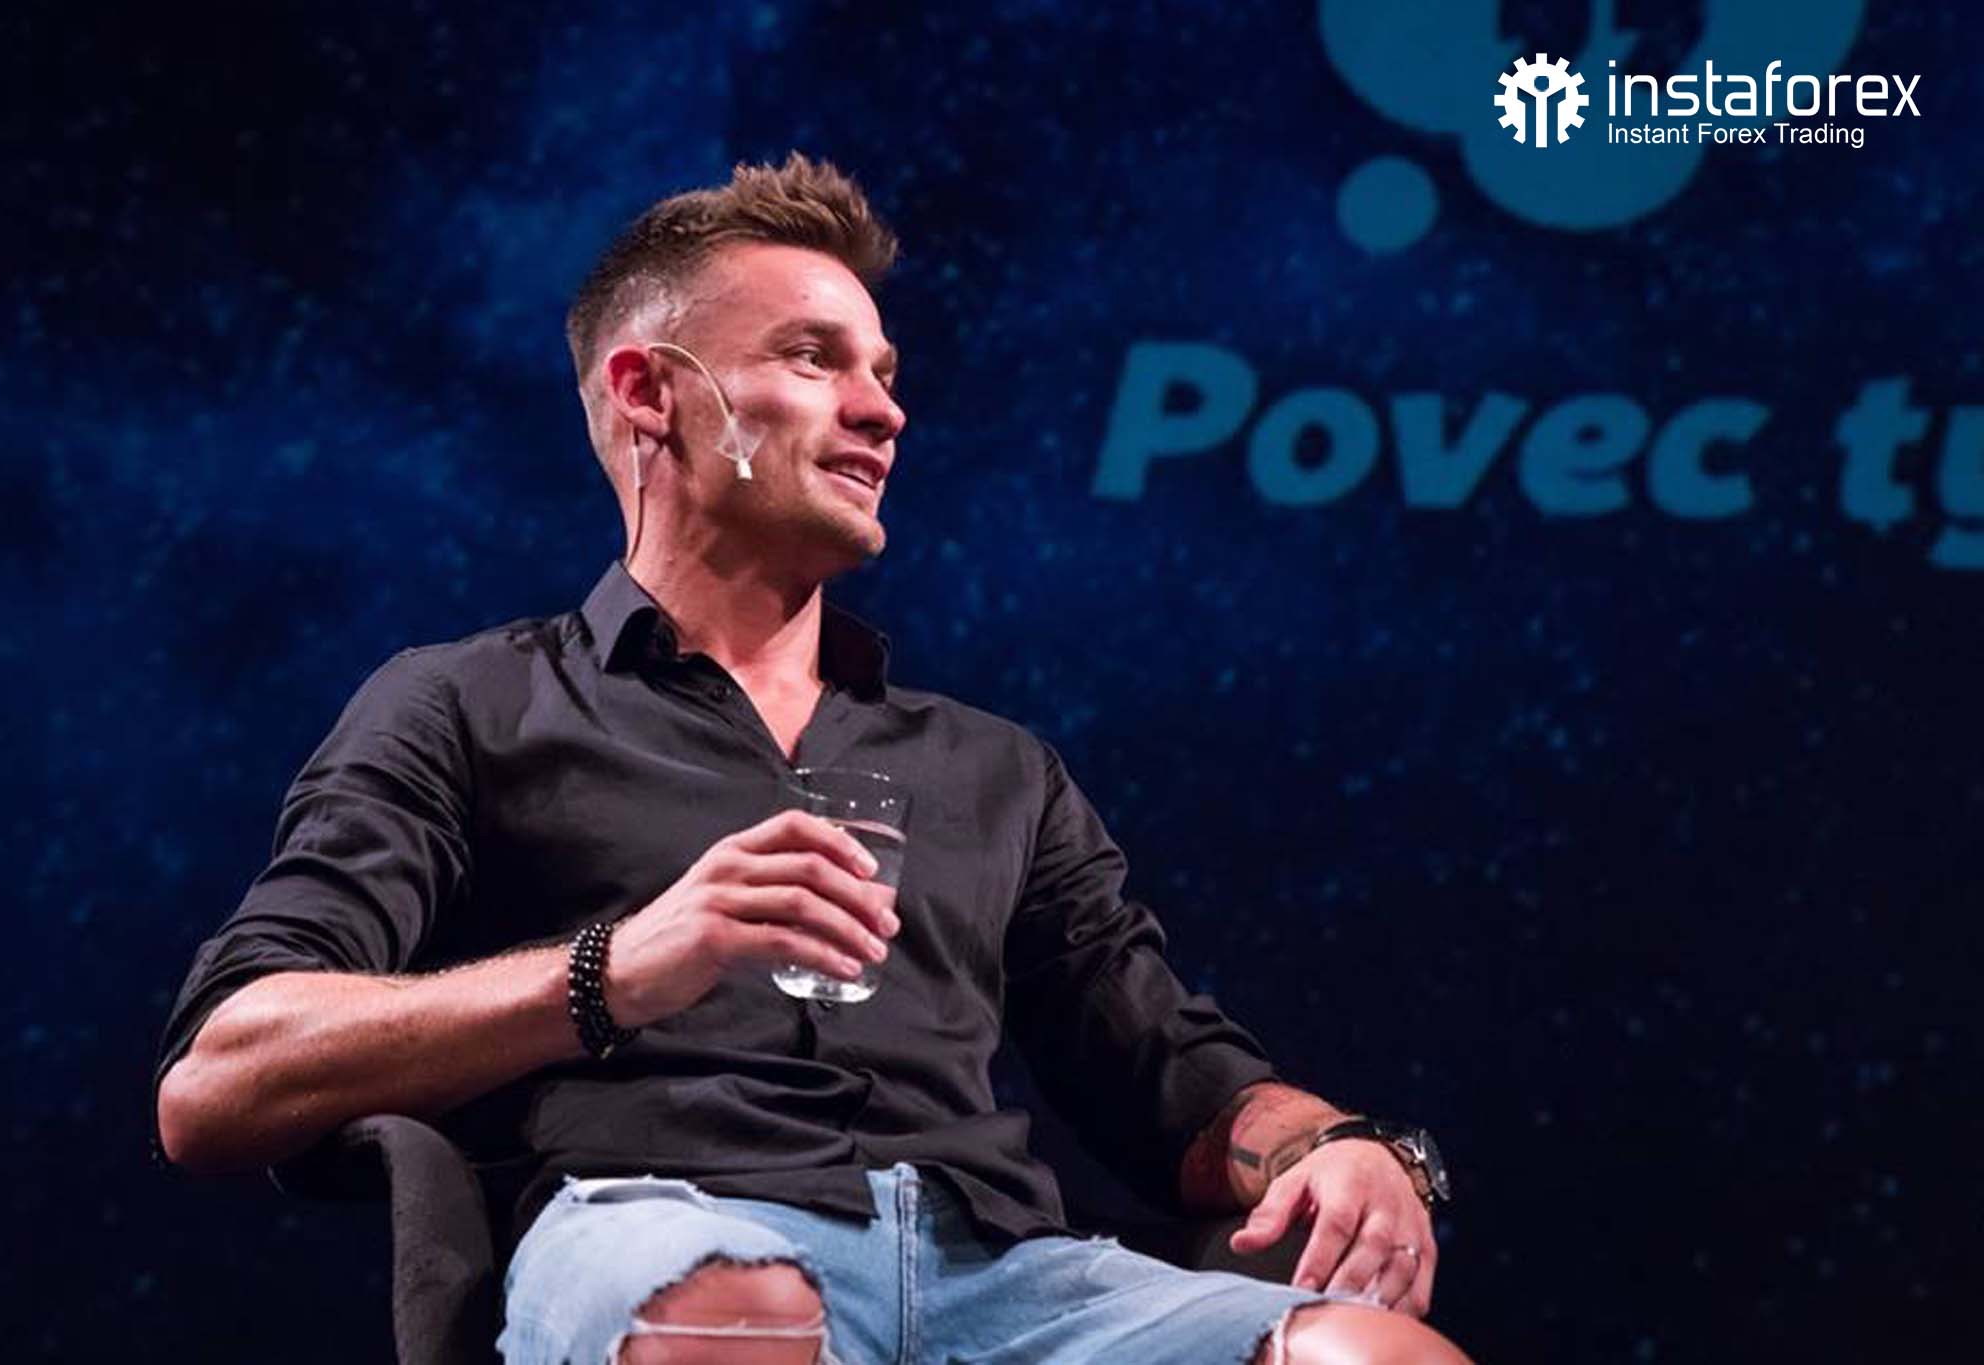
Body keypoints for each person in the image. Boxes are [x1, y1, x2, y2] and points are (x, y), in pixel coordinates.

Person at [155, 154, 1473, 1365]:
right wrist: (619, 967)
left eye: (886, 373)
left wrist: (1332, 1144)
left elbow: (1170, 1077)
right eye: (813, 358)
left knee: (1374, 1355)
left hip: (1004, 1280)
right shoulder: (468, 703)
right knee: (738, 1309)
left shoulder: (994, 769)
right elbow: (218, 1080)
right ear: (650, 392)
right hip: (656, 1227)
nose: (882, 410)